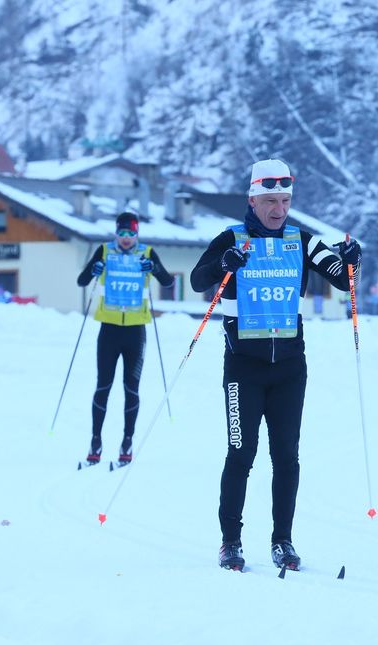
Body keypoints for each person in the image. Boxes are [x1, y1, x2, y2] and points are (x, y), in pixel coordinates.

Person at [190, 158, 361, 572]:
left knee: (286, 456)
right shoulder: (231, 238)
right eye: (270, 201)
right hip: (243, 367)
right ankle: (230, 542)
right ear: (252, 199)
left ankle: (282, 541)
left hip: (288, 367)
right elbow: (198, 279)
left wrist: (353, 256)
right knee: (240, 453)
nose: (278, 209)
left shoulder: (302, 240)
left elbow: (341, 276)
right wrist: (223, 264)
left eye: (284, 200)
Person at [77, 211, 174, 466]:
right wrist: (94, 270)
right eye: (122, 233)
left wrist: (153, 267)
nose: (127, 238)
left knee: (131, 388)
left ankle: (127, 441)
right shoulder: (104, 251)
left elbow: (168, 281)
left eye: (131, 233)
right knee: (103, 386)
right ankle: (95, 441)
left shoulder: (147, 252)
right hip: (109, 329)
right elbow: (81, 280)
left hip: (135, 331)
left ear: (137, 233)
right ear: (116, 233)